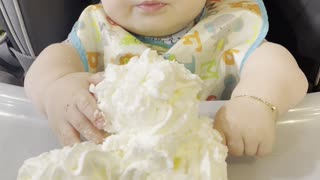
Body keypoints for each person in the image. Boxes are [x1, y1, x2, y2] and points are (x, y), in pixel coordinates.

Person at [24, 0, 308, 157]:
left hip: (221, 163)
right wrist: (57, 88)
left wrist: (256, 101)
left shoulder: (229, 26)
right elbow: (46, 67)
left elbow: (280, 67)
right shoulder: (96, 33)